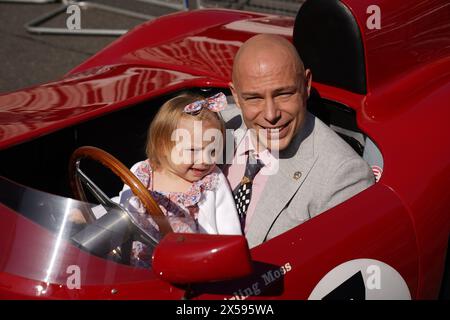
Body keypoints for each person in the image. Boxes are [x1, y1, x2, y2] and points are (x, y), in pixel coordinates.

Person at [222, 34, 375, 248]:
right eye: (254, 98)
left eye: (283, 94)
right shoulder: (215, 125)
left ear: (306, 85)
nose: (271, 114)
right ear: (236, 96)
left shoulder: (343, 177)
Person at [119, 92, 241, 267]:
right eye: (193, 150)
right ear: (162, 146)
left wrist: (229, 261)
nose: (205, 160)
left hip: (193, 264)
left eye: (213, 151)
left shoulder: (211, 181)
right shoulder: (142, 172)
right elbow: (124, 214)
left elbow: (229, 226)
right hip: (139, 262)